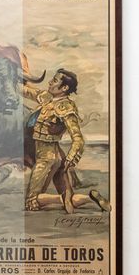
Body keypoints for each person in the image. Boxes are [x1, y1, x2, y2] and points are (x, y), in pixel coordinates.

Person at [23, 68, 110, 213]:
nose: (50, 82)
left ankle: (62, 198)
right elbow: (27, 92)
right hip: (57, 155)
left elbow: (78, 138)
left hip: (46, 157)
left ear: (64, 88)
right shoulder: (47, 97)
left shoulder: (66, 107)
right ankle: (91, 198)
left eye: (54, 81)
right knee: (69, 197)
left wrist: (71, 159)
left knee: (31, 201)